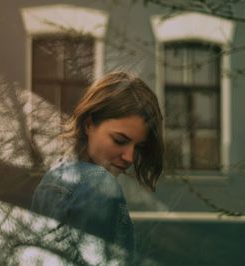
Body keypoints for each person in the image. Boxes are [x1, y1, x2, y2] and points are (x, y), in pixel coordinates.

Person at [31, 71, 164, 264]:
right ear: (89, 124)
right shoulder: (99, 182)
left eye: (139, 147)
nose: (129, 157)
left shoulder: (53, 178)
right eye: (119, 140)